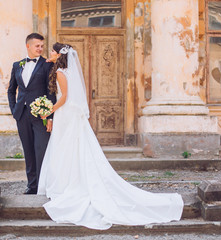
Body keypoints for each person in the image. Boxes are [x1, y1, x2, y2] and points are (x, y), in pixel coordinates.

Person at [37, 43, 184, 230]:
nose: (49, 53)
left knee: (65, 147)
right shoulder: (66, 71)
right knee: (70, 147)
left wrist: (50, 110)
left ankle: (66, 184)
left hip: (65, 114)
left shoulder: (60, 72)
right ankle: (69, 181)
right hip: (69, 114)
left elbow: (64, 97)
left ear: (59, 54)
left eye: (52, 50)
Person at [7, 33, 56, 195]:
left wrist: (49, 116)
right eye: (37, 46)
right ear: (28, 46)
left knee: (40, 149)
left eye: (42, 46)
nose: (40, 49)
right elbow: (11, 90)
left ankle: (43, 185)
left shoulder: (47, 65)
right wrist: (14, 110)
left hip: (41, 116)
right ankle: (32, 186)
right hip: (22, 114)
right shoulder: (17, 65)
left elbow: (51, 91)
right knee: (28, 150)